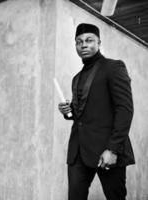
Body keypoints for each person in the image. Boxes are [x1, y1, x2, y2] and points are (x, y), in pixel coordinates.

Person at [58, 23, 135, 200]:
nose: (83, 45)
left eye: (89, 40)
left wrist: (113, 149)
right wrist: (67, 112)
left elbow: (125, 109)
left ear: (99, 42)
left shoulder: (114, 67)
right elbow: (81, 116)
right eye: (79, 42)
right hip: (78, 151)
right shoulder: (76, 78)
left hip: (106, 150)